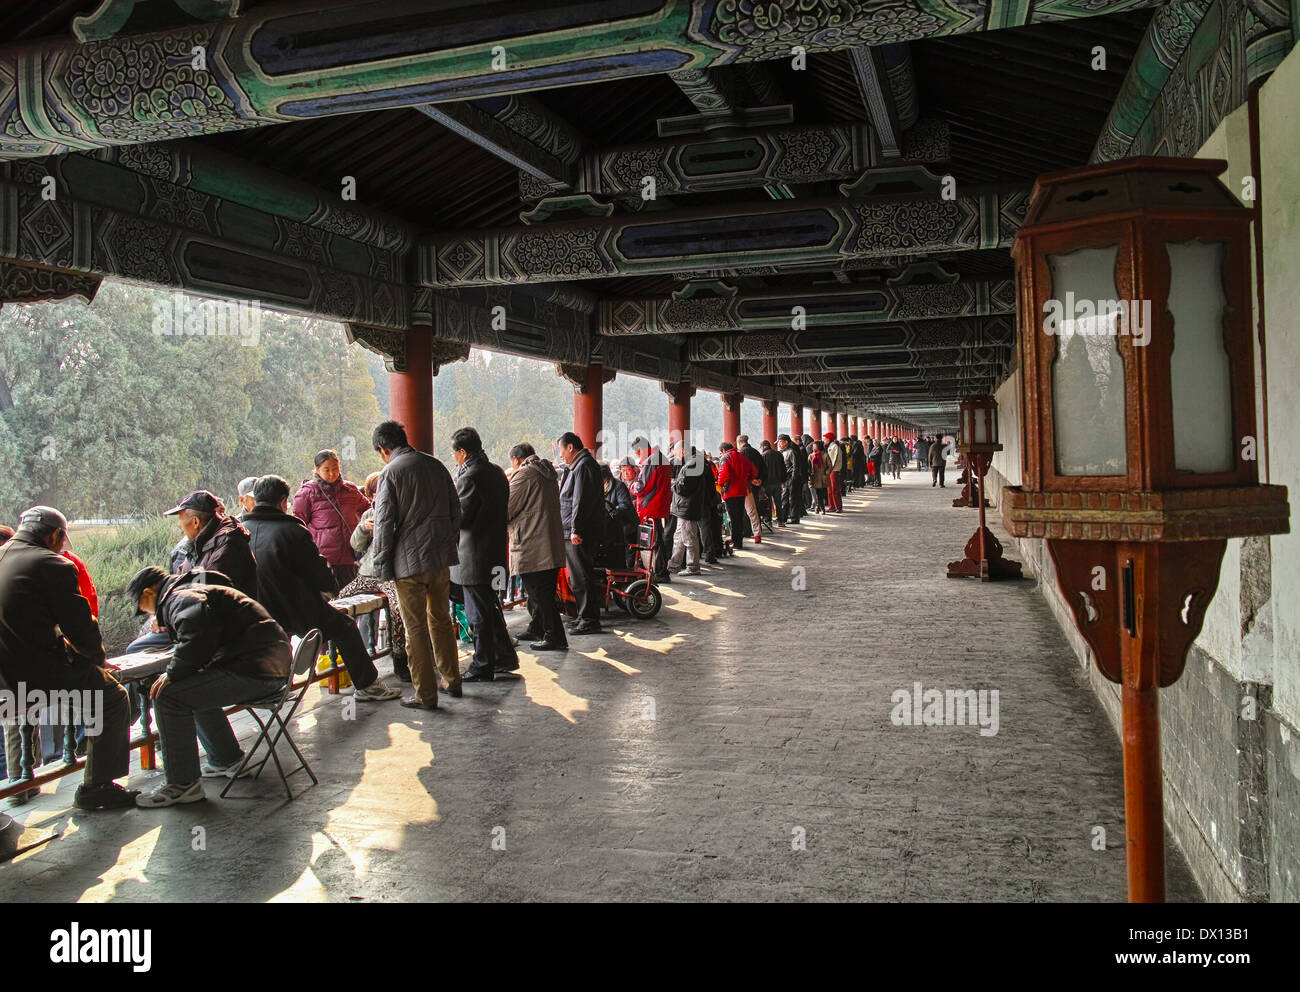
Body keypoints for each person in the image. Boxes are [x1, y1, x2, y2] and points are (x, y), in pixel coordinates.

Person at [0, 507, 137, 810]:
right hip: (31, 675)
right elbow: (81, 630)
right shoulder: (52, 564)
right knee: (113, 698)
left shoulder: (4, 553)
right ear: (54, 535)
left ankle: (25, 788)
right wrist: (98, 661)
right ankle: (97, 786)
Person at [126, 566, 292, 808]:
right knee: (189, 688)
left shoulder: (179, 598)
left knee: (169, 697)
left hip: (257, 672)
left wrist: (172, 673)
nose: (145, 612)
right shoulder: (190, 589)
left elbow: (197, 635)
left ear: (149, 593)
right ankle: (226, 759)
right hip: (269, 666)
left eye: (141, 606)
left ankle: (182, 785)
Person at [243, 474, 400, 703]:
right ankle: (367, 685)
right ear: (283, 502)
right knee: (345, 627)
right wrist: (328, 588)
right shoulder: (293, 531)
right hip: (293, 609)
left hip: (256, 611)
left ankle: (274, 686)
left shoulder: (241, 530)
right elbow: (320, 575)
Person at [371, 420, 463, 710]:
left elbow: (384, 523)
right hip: (439, 560)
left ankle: (425, 694)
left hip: (408, 564)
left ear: (383, 449)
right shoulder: (436, 465)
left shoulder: (391, 472)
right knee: (441, 620)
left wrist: (380, 565)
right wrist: (449, 544)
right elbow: (455, 511)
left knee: (415, 630)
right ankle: (452, 680)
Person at [448, 427, 519, 682]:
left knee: (477, 613)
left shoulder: (470, 477)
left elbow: (462, 519)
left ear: (463, 452)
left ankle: (482, 664)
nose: (454, 458)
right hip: (495, 551)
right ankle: (504, 656)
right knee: (490, 607)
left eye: (455, 453)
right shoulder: (497, 472)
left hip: (473, 556)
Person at [342, 472, 410, 683]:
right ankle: (349, 657)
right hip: (369, 572)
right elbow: (356, 545)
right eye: (375, 492)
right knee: (340, 600)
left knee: (398, 608)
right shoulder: (368, 515)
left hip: (392, 575)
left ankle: (400, 658)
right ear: (370, 495)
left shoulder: (401, 511)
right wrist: (363, 529)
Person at [507, 442, 567, 652]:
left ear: (516, 459)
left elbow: (508, 507)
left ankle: (555, 636)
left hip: (532, 542)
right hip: (548, 540)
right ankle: (538, 627)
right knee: (543, 591)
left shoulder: (524, 475)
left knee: (539, 593)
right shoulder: (547, 472)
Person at [294, 449, 370, 591]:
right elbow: (298, 525)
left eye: (335, 469)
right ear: (317, 470)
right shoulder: (306, 493)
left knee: (352, 602)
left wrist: (364, 527)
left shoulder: (350, 490)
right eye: (326, 470)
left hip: (350, 558)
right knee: (328, 603)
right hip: (323, 561)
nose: (331, 474)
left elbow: (368, 509)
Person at [164, 490, 258, 597]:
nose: (179, 525)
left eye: (181, 519)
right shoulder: (198, 545)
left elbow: (207, 595)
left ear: (195, 522)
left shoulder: (228, 544)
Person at [557, 431, 604, 635]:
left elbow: (580, 501)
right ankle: (584, 616)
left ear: (570, 447)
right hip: (575, 529)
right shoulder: (579, 466)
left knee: (582, 576)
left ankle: (590, 619)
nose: (561, 456)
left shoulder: (583, 466)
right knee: (578, 576)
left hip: (579, 532)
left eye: (561, 450)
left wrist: (576, 529)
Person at [629, 436, 672, 582]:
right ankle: (659, 570)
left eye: (637, 453)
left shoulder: (651, 461)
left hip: (651, 505)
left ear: (640, 449)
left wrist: (632, 487)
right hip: (660, 503)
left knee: (654, 541)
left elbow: (642, 485)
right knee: (657, 538)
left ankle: (660, 572)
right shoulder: (661, 458)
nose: (637, 456)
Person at [666, 440, 705, 575]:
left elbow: (683, 488)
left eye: (677, 453)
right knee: (679, 538)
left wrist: (672, 483)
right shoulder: (693, 462)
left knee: (689, 537)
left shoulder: (691, 465)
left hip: (687, 507)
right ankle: (674, 565)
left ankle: (693, 567)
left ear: (682, 451)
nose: (676, 456)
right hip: (684, 507)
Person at [717, 441, 757, 549]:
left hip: (730, 492)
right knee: (739, 516)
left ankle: (736, 542)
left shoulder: (725, 458)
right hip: (742, 490)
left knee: (733, 518)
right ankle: (738, 541)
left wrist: (720, 484)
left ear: (723, 450)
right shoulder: (742, 456)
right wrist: (747, 480)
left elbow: (723, 474)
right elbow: (754, 471)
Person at [603, 461, 639, 567]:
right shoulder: (601, 486)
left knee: (627, 559)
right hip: (614, 527)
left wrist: (612, 511)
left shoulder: (618, 486)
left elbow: (625, 506)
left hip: (626, 526)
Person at [736, 435, 765, 542]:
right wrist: (760, 480)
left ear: (739, 443)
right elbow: (763, 468)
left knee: (743, 511)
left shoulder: (741, 454)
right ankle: (757, 533)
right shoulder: (756, 452)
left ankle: (745, 531)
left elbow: (742, 471)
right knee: (753, 510)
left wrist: (751, 480)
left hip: (745, 486)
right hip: (756, 485)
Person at [699, 452, 724, 563]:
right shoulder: (709, 465)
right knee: (712, 527)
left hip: (704, 501)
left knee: (704, 527)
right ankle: (714, 551)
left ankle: (708, 553)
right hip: (713, 499)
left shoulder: (699, 467)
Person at [760, 439, 787, 526]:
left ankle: (769, 521)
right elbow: (783, 468)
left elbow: (762, 471)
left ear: (763, 447)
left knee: (768, 503)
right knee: (778, 502)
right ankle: (780, 521)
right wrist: (783, 480)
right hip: (777, 482)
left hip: (767, 483)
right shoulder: (778, 454)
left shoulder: (763, 455)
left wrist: (761, 483)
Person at [824, 433, 843, 512]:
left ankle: (838, 506)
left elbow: (834, 459)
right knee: (829, 489)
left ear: (828, 439)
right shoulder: (829, 446)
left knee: (835, 489)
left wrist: (830, 468)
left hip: (834, 470)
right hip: (830, 470)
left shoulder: (835, 447)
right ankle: (831, 506)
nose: (824, 440)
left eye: (825, 438)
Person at [809, 440, 829, 513]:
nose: (813, 447)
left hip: (823, 477)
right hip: (814, 477)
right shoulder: (811, 456)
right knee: (818, 493)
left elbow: (830, 466)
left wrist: (826, 473)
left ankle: (818, 507)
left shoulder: (825, 455)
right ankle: (821, 508)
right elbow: (808, 467)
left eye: (814, 446)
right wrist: (810, 474)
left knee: (822, 493)